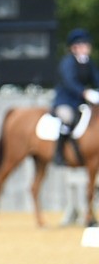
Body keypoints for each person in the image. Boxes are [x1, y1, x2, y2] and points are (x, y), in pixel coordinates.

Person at [52, 27, 99, 166]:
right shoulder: (68, 62)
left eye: (87, 44)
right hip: (66, 101)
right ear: (75, 47)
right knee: (67, 118)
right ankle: (59, 154)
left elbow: (96, 78)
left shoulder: (88, 62)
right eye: (83, 45)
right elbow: (69, 82)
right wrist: (85, 92)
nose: (87, 47)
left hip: (82, 103)